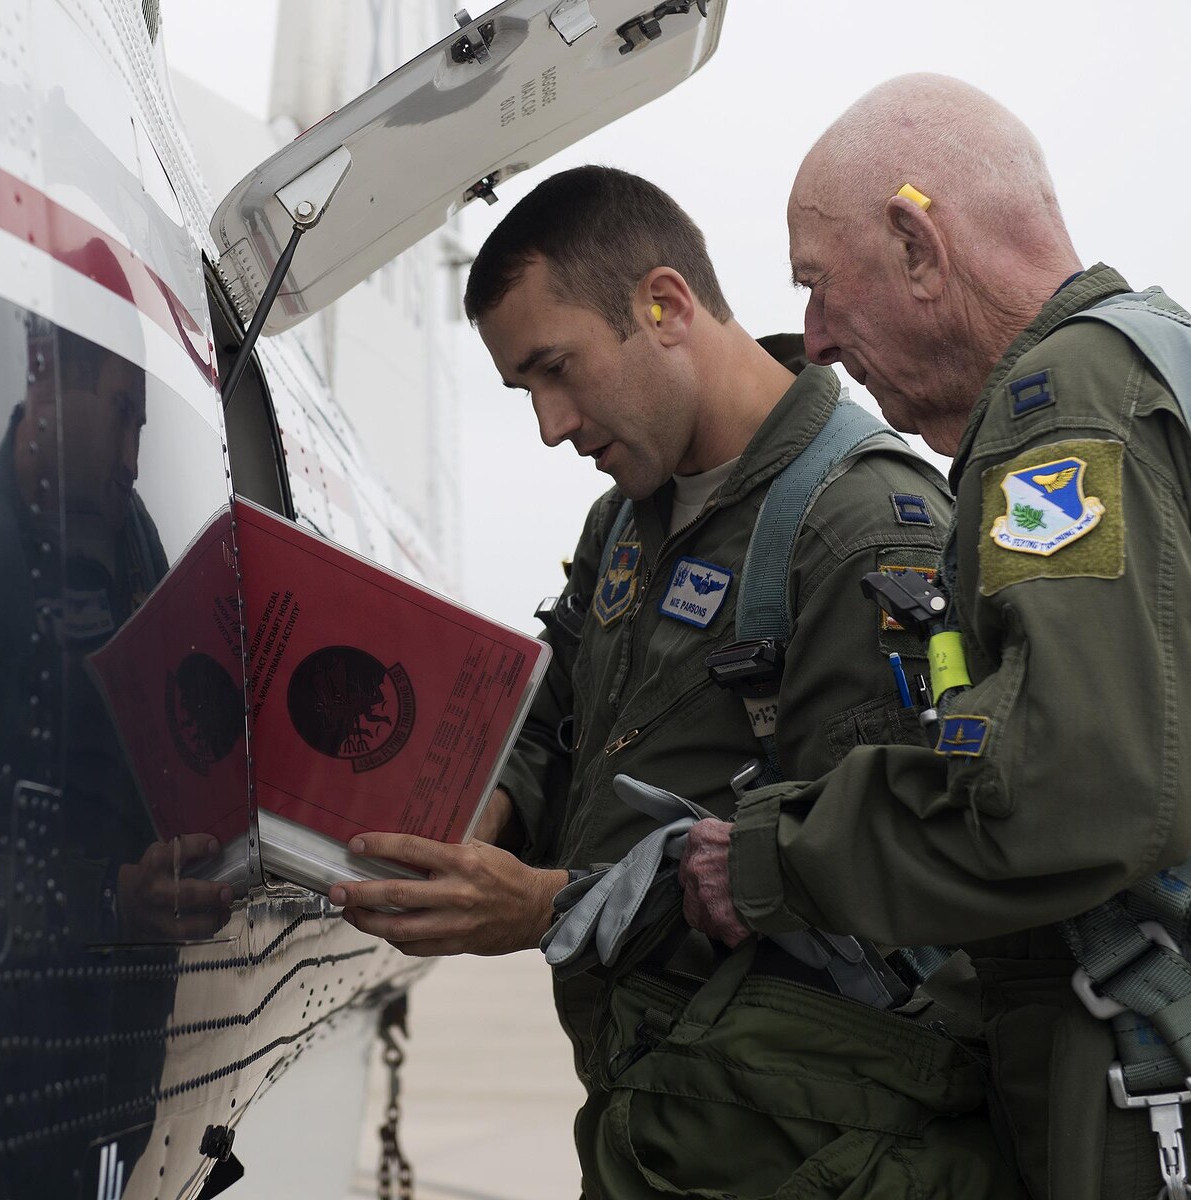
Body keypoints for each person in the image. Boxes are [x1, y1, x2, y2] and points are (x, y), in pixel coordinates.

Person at [677, 73, 1191, 1199]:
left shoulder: (1063, 407)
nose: (818, 342)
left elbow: (1088, 788)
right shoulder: (1167, 363)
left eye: (820, 290)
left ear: (915, 245)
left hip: (1188, 1096)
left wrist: (772, 856)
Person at [329, 166, 1018, 1198]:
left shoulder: (862, 526)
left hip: (827, 1143)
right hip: (666, 1119)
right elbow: (549, 719)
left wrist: (547, 908)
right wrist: (474, 827)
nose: (551, 426)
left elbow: (878, 869)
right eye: (524, 392)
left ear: (662, 305)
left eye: (557, 371)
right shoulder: (624, 522)